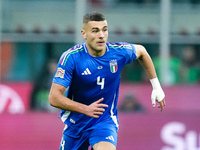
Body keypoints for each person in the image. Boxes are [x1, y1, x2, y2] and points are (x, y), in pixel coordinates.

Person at [49, 12, 165, 150]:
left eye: (104, 30)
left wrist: (156, 86)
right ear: (84, 34)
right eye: (95, 31)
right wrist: (85, 109)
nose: (101, 35)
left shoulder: (118, 52)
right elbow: (54, 98)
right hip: (76, 124)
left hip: (104, 122)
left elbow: (141, 51)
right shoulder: (71, 58)